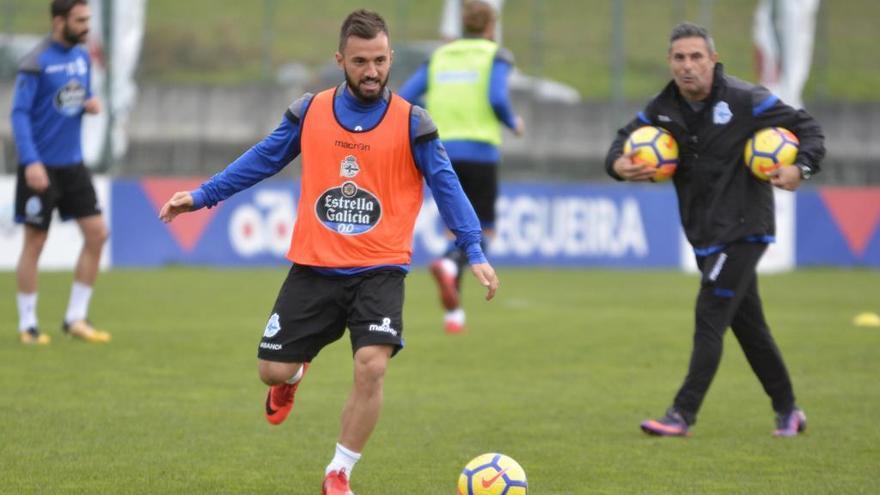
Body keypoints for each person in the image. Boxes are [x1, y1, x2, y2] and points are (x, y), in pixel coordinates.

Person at [159, 10, 499, 494]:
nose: (372, 71)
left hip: (380, 269)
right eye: (360, 61)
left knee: (373, 365)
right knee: (270, 370)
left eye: (380, 60)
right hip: (316, 267)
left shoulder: (413, 123)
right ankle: (293, 375)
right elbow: (263, 158)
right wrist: (201, 195)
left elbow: (447, 186)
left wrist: (474, 250)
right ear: (340, 59)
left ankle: (338, 472)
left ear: (391, 58)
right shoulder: (310, 111)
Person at [605, 22, 824, 437]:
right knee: (750, 329)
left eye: (696, 57)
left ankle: (681, 415)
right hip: (703, 234)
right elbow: (620, 142)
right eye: (679, 58)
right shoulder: (662, 108)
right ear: (670, 62)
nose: (688, 66)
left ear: (713, 60)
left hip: (746, 228)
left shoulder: (746, 100)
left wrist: (801, 167)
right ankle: (789, 411)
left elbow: (808, 128)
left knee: (709, 315)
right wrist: (619, 165)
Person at [398, 0, 523, 334]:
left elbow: (406, 96)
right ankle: (450, 263)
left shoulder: (440, 56)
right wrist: (513, 121)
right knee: (485, 231)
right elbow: (497, 98)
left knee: (455, 229)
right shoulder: (495, 55)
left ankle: (454, 316)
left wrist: (434, 111)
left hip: (440, 151)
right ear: (489, 28)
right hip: (480, 150)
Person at [11, 0, 110, 345]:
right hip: (40, 165)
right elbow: (19, 115)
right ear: (59, 21)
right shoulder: (35, 63)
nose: (87, 26)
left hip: (73, 164)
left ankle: (76, 319)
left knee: (97, 234)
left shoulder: (82, 57)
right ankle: (28, 325)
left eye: (88, 19)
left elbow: (76, 96)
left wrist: (89, 103)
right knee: (35, 241)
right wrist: (31, 162)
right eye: (80, 20)